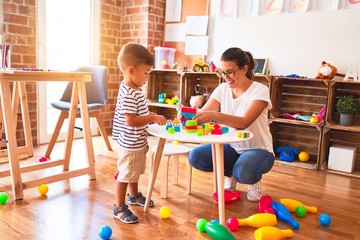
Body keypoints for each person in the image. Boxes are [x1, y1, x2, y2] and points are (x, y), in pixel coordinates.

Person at [188, 47, 274, 201]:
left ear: (244, 69)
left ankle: (251, 179)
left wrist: (214, 116)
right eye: (222, 72)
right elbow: (203, 113)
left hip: (259, 149)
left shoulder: (260, 90)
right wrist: (187, 114)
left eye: (230, 72)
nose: (225, 77)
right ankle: (231, 173)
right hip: (234, 147)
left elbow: (243, 122)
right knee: (196, 156)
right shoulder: (222, 89)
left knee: (245, 172)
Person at [112, 42, 167, 223]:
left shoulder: (134, 89)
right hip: (129, 143)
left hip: (135, 142)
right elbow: (131, 120)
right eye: (146, 73)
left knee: (133, 171)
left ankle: (134, 195)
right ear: (131, 71)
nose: (147, 77)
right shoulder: (129, 93)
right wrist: (152, 118)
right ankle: (119, 207)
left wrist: (150, 114)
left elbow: (138, 113)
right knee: (126, 174)